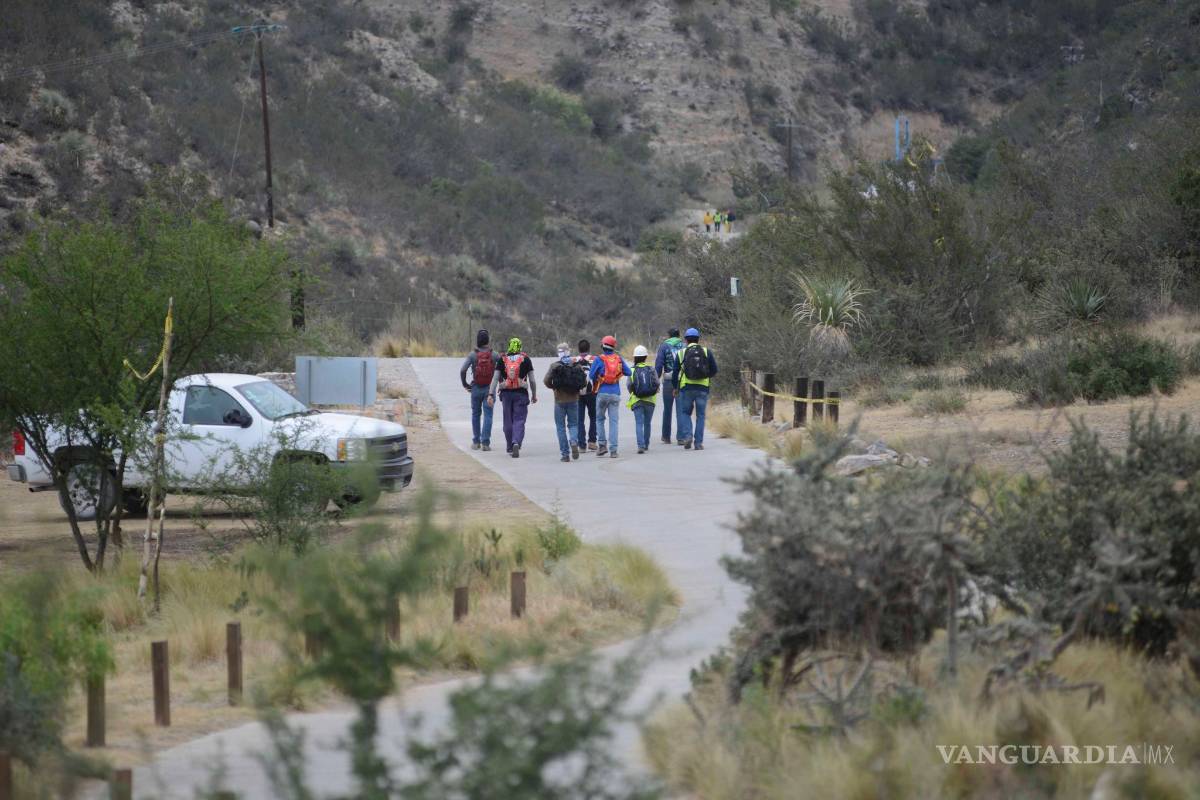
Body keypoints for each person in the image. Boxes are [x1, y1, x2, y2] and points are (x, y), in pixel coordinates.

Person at [488, 337, 537, 458]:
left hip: (506, 394)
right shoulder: (526, 359)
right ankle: (516, 441)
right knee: (519, 420)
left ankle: (510, 445)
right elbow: (532, 380)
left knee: (507, 420)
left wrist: (490, 394)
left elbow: (495, 378)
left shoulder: (502, 359)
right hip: (521, 394)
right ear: (520, 347)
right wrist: (534, 394)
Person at [673, 327, 718, 451]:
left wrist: (675, 387)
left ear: (686, 340)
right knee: (701, 415)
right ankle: (698, 443)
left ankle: (688, 436)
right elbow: (714, 370)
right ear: (698, 339)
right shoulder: (706, 351)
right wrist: (705, 376)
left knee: (685, 413)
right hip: (702, 388)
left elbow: (675, 372)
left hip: (686, 388)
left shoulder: (681, 353)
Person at [587, 335, 630, 458]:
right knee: (614, 422)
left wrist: (599, 377)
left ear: (603, 346)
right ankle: (614, 450)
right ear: (613, 347)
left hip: (602, 393)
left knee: (599, 420)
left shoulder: (599, 359)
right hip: (615, 394)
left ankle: (602, 445)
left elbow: (591, 375)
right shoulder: (619, 359)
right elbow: (629, 372)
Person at [544, 342, 585, 463]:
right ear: (569, 351)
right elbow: (584, 382)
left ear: (559, 352)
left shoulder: (554, 366)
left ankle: (565, 454)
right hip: (574, 400)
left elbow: (546, 381)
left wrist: (554, 387)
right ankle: (573, 441)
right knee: (573, 425)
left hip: (559, 400)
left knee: (560, 427)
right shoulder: (576, 365)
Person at [459, 329, 497, 451]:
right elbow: (502, 370)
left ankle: (476, 442)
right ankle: (485, 443)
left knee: (475, 414)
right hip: (489, 389)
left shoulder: (472, 355)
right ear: (487, 341)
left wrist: (465, 384)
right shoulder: (494, 355)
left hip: (475, 388)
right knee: (488, 415)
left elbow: (463, 370)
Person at [654, 328, 685, 445]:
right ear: (679, 335)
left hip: (668, 380)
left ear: (669, 335)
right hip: (682, 381)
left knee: (667, 409)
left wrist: (656, 381)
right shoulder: (684, 346)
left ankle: (666, 436)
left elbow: (658, 365)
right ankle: (681, 437)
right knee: (680, 409)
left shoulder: (664, 346)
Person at [626, 345, 659, 454]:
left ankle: (640, 446)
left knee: (639, 423)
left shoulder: (632, 370)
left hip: (637, 400)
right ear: (645, 357)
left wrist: (634, 393)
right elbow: (657, 383)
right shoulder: (651, 369)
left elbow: (629, 385)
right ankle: (646, 444)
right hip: (650, 400)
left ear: (634, 357)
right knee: (647, 423)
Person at [575, 339, 599, 451]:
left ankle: (581, 444)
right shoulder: (594, 360)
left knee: (580, 419)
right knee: (593, 417)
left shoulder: (574, 361)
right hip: (592, 392)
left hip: (578, 393)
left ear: (578, 349)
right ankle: (592, 441)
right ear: (589, 349)